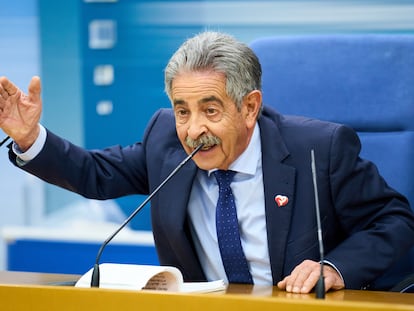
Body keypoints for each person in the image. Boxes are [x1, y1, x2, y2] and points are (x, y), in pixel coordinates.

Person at [1, 31, 414, 293]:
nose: (193, 129)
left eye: (211, 111)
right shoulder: (166, 141)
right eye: (183, 111)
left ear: (250, 107)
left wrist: (335, 267)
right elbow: (94, 174)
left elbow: (394, 221)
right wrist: (29, 137)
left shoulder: (318, 149)